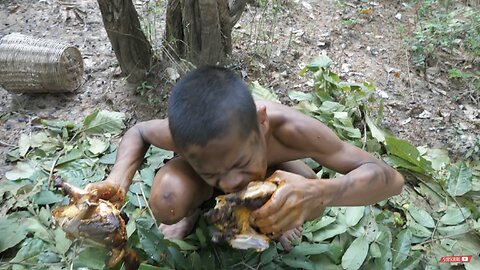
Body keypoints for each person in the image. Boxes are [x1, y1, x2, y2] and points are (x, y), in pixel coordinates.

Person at [86, 66, 404, 250]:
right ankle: (193, 211)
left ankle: (279, 203)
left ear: (261, 123)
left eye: (239, 164)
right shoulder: (185, 131)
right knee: (167, 199)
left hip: (274, 170)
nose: (230, 184)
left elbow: (391, 179)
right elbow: (139, 132)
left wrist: (321, 191)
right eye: (215, 173)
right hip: (197, 182)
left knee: (310, 192)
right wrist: (118, 181)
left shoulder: (292, 129)